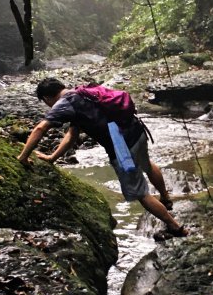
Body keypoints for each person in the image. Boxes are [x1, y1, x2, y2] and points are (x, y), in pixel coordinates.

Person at [17, 77, 189, 238]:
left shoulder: (64, 104)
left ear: (47, 98)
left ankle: (175, 226)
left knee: (141, 193)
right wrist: (52, 158)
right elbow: (72, 136)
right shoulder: (82, 92)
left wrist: (23, 157)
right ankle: (165, 197)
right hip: (137, 131)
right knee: (147, 165)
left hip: (121, 147)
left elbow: (40, 129)